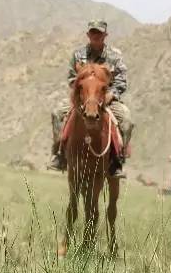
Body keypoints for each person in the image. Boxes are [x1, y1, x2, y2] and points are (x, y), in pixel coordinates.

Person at [48, 19, 134, 178]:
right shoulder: (78, 55)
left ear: (105, 35)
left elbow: (121, 80)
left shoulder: (115, 57)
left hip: (107, 99)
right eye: (93, 32)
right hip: (82, 99)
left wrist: (111, 94)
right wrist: (83, 94)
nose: (96, 36)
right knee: (57, 113)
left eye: (99, 33)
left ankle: (118, 160)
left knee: (127, 120)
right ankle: (59, 154)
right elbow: (71, 78)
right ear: (88, 34)